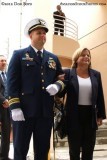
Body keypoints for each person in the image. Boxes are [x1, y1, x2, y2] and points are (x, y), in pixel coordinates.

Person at [7, 18, 64, 160]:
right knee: (20, 150)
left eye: (44, 33)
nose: (42, 35)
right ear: (30, 35)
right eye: (39, 33)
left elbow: (62, 79)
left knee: (43, 150)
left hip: (45, 113)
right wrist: (15, 107)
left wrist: (57, 85)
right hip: (23, 112)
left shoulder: (53, 58)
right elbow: (12, 83)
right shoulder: (19, 55)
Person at [60, 48, 106, 160]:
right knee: (74, 150)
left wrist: (100, 115)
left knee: (88, 149)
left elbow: (100, 95)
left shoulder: (96, 74)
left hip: (90, 116)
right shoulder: (68, 73)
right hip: (73, 115)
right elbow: (61, 94)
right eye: (83, 55)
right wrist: (59, 82)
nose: (86, 57)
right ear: (76, 59)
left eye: (88, 55)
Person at [0, 55, 12, 160]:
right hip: (1, 105)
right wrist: (3, 100)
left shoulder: (8, 75)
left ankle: (4, 156)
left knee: (6, 133)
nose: (3, 62)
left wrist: (9, 101)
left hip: (7, 109)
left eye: (5, 60)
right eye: (1, 61)